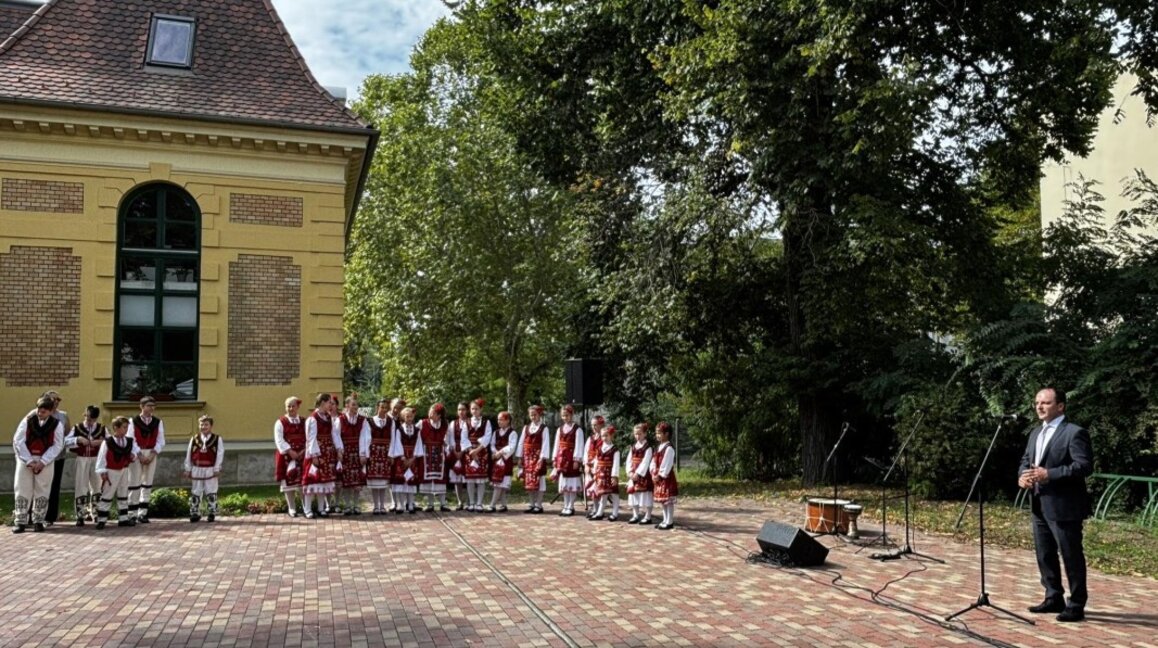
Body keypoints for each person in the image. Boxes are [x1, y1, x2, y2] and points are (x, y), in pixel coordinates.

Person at [1018, 387, 1093, 622]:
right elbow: (1026, 461)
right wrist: (1022, 476)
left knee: (1070, 555)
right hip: (1039, 503)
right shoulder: (1035, 433)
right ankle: (1053, 596)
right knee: (1044, 553)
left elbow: (1083, 466)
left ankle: (1077, 603)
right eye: (1037, 402)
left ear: (1060, 406)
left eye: (1046, 403)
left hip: (1065, 506)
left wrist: (1050, 473)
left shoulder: (1074, 433)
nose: (1039, 407)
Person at [12, 396, 66, 533]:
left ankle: (38, 520)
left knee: (43, 489)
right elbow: (18, 440)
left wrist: (43, 462)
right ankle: (20, 521)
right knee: (23, 488)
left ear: (50, 411)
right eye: (39, 410)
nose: (40, 414)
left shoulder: (57, 424)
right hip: (26, 459)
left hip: (45, 460)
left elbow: (58, 444)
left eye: (44, 412)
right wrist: (29, 461)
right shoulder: (28, 420)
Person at [302, 393, 342, 518]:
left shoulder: (328, 417)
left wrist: (339, 448)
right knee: (312, 481)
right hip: (317, 453)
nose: (331, 405)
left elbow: (334, 434)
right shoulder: (313, 419)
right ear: (323, 402)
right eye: (329, 402)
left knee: (323, 482)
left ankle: (321, 508)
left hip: (327, 453)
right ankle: (307, 509)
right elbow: (311, 438)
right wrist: (314, 455)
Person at [65, 405, 106, 526]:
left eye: (92, 418)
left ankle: (96, 513)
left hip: (96, 459)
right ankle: (80, 515)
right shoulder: (78, 427)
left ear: (96, 418)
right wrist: (78, 439)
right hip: (82, 458)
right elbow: (65, 441)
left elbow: (110, 441)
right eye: (87, 417)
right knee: (81, 485)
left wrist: (101, 442)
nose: (89, 420)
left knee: (97, 485)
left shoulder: (101, 428)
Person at [94, 416, 139, 529]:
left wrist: (133, 456)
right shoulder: (108, 442)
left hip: (124, 469)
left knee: (123, 492)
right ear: (116, 428)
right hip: (111, 470)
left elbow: (134, 452)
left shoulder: (129, 441)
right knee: (107, 494)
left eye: (127, 427)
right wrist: (102, 471)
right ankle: (102, 519)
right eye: (124, 427)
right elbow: (102, 457)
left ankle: (123, 518)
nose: (126, 430)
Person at [127, 396, 165, 523]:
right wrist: (139, 454)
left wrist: (153, 454)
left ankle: (142, 513)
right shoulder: (133, 421)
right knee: (134, 482)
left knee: (147, 482)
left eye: (153, 406)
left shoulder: (157, 422)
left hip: (151, 452)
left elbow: (161, 440)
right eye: (149, 405)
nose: (151, 408)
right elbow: (131, 439)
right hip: (137, 452)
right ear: (142, 406)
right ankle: (131, 513)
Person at [184, 415, 225, 523]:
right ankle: (194, 512)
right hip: (197, 468)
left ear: (211, 426)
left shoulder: (217, 439)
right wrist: (188, 468)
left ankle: (211, 512)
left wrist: (217, 468)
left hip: (210, 468)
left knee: (211, 490)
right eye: (201, 424)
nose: (203, 427)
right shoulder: (194, 438)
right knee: (196, 490)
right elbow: (189, 453)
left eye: (206, 424)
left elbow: (219, 454)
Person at [336, 395, 370, 515]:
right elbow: (336, 435)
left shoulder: (363, 420)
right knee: (346, 482)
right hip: (345, 454)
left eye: (357, 404)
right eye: (353, 404)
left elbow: (366, 437)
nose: (356, 407)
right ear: (347, 406)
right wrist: (339, 450)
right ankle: (347, 505)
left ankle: (356, 505)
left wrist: (363, 453)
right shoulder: (340, 420)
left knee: (357, 482)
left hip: (357, 453)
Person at [274, 396, 307, 517]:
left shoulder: (304, 421)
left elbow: (309, 437)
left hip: (302, 455)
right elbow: (279, 439)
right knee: (288, 484)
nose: (291, 408)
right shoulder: (281, 422)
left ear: (298, 407)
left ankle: (306, 506)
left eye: (293, 406)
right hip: (287, 456)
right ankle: (291, 508)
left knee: (303, 483)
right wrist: (290, 451)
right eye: (288, 406)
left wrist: (304, 450)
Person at [40, 391, 69, 525]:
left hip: (59, 457)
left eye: (58, 399)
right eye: (54, 399)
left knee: (54, 485)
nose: (56, 402)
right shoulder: (39, 414)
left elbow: (68, 434)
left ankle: (50, 516)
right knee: (41, 486)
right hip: (42, 457)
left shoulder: (63, 416)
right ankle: (38, 514)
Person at [516, 405, 551, 514]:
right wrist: (520, 457)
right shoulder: (526, 428)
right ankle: (532, 503)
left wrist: (542, 458)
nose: (533, 417)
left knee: (540, 480)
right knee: (529, 482)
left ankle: (539, 504)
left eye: (535, 415)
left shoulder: (543, 428)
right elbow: (521, 442)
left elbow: (545, 443)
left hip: (537, 458)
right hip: (527, 458)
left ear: (539, 415)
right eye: (531, 415)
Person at [388, 407, 423, 514]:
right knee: (400, 482)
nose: (409, 418)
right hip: (401, 459)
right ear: (403, 417)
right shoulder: (399, 430)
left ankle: (411, 503)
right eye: (407, 416)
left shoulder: (417, 431)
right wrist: (402, 458)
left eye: (411, 416)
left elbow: (418, 444)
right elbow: (397, 444)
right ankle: (400, 504)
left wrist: (413, 458)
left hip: (412, 458)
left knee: (411, 482)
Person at [418, 403, 452, 512]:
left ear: (439, 415)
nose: (430, 414)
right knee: (429, 479)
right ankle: (430, 504)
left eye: (433, 412)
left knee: (440, 478)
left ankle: (443, 503)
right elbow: (414, 436)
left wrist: (447, 449)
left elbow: (448, 440)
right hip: (426, 454)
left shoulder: (445, 424)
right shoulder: (422, 423)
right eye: (430, 411)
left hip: (440, 454)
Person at [552, 404, 585, 517]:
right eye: (563, 416)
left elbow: (579, 445)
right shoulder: (559, 429)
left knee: (572, 484)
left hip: (571, 459)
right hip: (562, 459)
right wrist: (555, 458)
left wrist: (577, 459)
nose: (565, 418)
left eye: (567, 415)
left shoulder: (577, 429)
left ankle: (571, 506)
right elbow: (557, 445)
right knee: (564, 485)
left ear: (571, 415)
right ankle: (565, 505)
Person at [462, 399, 493, 512]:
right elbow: (464, 437)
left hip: (481, 452)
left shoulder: (486, 422)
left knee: (480, 479)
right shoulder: (467, 422)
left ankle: (479, 503)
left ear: (481, 409)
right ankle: (471, 502)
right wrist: (471, 450)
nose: (474, 411)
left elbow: (487, 437)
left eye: (476, 409)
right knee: (470, 479)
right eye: (472, 409)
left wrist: (477, 450)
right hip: (470, 452)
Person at [366, 398, 396, 514]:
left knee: (383, 482)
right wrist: (367, 454)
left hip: (385, 453)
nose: (384, 409)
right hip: (374, 453)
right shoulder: (370, 421)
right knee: (374, 481)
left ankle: (382, 505)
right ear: (377, 407)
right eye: (381, 407)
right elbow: (367, 438)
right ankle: (375, 505)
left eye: (385, 407)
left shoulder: (391, 421)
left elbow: (393, 439)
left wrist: (391, 454)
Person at [487, 411, 518, 512]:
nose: (499, 421)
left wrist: (500, 452)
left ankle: (492, 504)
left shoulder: (512, 433)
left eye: (501, 419)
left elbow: (511, 446)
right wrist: (495, 453)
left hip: (505, 461)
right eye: (498, 419)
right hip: (496, 460)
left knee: (500, 484)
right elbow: (492, 444)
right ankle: (503, 504)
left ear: (507, 421)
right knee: (499, 484)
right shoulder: (495, 432)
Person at [624, 423, 654, 524]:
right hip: (633, 474)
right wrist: (629, 471)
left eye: (639, 434)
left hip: (644, 475)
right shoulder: (633, 447)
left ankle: (648, 515)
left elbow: (646, 462)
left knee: (647, 495)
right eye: (636, 434)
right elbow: (629, 460)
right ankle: (635, 514)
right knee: (633, 495)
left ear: (645, 434)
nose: (637, 436)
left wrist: (638, 473)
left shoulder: (648, 447)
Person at [651, 421, 679, 530]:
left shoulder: (669, 448)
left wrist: (660, 474)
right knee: (663, 501)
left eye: (659, 433)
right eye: (656, 433)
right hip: (658, 476)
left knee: (668, 501)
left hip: (666, 477)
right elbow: (654, 460)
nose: (657, 435)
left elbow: (666, 464)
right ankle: (664, 520)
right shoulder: (659, 447)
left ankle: (669, 521)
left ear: (666, 434)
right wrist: (653, 472)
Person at [589, 424, 621, 521]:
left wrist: (614, 476)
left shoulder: (615, 450)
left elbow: (616, 463)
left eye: (607, 435)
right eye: (603, 436)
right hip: (601, 475)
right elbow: (597, 460)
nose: (604, 438)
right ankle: (600, 512)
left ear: (611, 436)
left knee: (614, 494)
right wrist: (595, 472)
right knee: (603, 495)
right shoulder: (599, 448)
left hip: (610, 475)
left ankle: (615, 513)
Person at [448, 402, 471, 510]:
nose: (461, 412)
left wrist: (464, 450)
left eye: (463, 409)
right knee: (457, 478)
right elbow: (451, 437)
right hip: (456, 451)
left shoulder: (471, 422)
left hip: (468, 451)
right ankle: (459, 501)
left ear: (467, 410)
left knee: (468, 477)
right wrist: (455, 450)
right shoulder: (453, 423)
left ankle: (469, 501)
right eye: (459, 410)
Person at [583, 415, 606, 512]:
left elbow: (602, 453)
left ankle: (600, 510)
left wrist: (594, 465)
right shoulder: (590, 438)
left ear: (601, 425)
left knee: (599, 488)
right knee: (592, 488)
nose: (593, 427)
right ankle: (595, 508)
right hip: (590, 466)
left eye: (595, 425)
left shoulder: (604, 438)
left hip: (599, 466)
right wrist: (586, 464)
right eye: (592, 425)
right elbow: (586, 452)